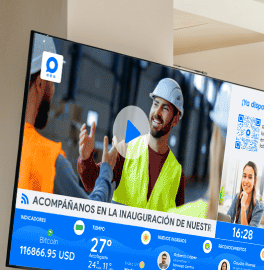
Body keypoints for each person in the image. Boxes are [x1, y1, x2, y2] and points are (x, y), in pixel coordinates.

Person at [17, 34, 116, 200]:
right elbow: (90, 217)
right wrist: (106, 169)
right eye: (52, 82)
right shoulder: (51, 161)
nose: (54, 90)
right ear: (40, 83)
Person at [79, 77, 186, 211]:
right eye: (155, 104)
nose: (157, 113)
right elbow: (91, 183)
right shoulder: (126, 149)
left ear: (175, 120)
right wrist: (86, 158)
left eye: (165, 108)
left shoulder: (177, 173)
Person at [225, 161, 264, 227]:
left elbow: (247, 233)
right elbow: (227, 221)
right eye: (244, 176)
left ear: (255, 181)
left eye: (250, 177)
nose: (246, 181)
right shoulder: (237, 198)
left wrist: (243, 206)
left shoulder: (259, 209)